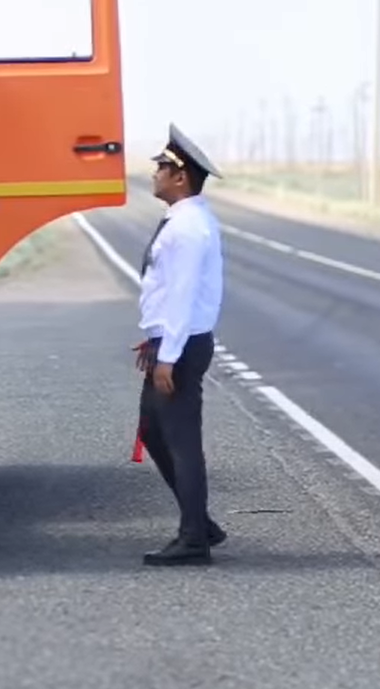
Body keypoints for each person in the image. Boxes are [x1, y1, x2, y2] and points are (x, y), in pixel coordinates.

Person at [133, 123, 226, 566]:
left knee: (181, 441)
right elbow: (167, 292)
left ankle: (194, 539)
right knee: (153, 431)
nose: (155, 173)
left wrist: (167, 354)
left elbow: (184, 294)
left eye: (162, 168)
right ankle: (199, 522)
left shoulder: (189, 228)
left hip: (183, 348)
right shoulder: (183, 220)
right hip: (173, 341)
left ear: (180, 177)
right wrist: (155, 337)